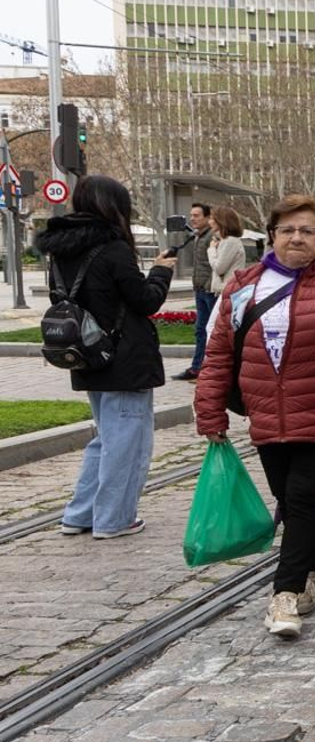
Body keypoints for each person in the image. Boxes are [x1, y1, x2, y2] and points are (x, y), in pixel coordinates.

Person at [194, 196, 315, 638]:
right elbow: (218, 353)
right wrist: (209, 409)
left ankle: (284, 596)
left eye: (308, 230)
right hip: (267, 414)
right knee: (291, 502)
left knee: (304, 499)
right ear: (270, 236)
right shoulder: (245, 284)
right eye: (287, 229)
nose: (297, 238)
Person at [37, 176, 176, 539]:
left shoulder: (60, 251)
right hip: (124, 358)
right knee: (127, 442)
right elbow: (145, 300)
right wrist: (161, 272)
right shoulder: (113, 249)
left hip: (86, 353)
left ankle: (79, 515)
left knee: (104, 439)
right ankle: (114, 519)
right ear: (114, 207)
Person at [173, 202, 213, 381]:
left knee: (211, 331)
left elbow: (214, 265)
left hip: (210, 291)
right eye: (192, 215)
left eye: (197, 215)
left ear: (207, 217)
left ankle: (209, 369)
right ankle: (197, 367)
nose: (192, 219)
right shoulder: (199, 236)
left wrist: (208, 285)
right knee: (200, 330)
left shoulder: (212, 237)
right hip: (200, 289)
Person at [207, 208, 248, 299]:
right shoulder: (225, 241)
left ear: (221, 221)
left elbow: (219, 268)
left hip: (228, 291)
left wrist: (211, 250)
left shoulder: (230, 241)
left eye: (211, 219)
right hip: (226, 290)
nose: (209, 222)